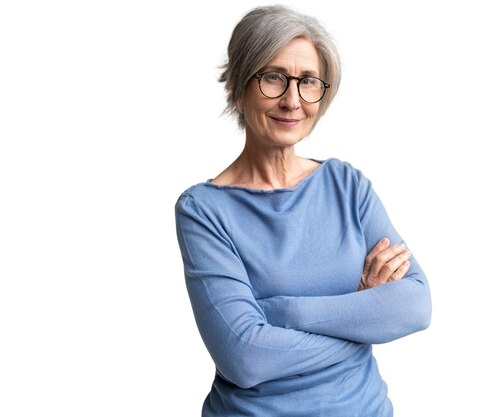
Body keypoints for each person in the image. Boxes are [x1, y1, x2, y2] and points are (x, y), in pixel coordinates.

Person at [175, 5, 432, 416]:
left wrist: (282, 311)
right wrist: (361, 312)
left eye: (308, 81)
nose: (292, 100)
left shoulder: (347, 186)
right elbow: (245, 358)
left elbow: (414, 306)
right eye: (274, 78)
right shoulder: (204, 210)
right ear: (240, 86)